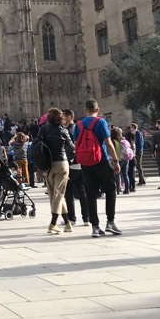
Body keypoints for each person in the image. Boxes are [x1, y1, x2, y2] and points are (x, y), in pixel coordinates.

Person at [73, 99, 122, 237]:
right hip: (101, 160)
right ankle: (110, 222)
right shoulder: (101, 122)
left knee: (91, 193)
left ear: (85, 110)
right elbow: (108, 142)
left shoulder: (79, 124)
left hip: (86, 164)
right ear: (97, 109)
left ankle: (95, 226)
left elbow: (76, 143)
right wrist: (115, 160)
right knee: (111, 189)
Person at [39, 108, 75, 234]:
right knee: (59, 193)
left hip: (48, 165)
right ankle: (53, 223)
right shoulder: (64, 131)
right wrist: (69, 161)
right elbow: (72, 149)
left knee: (54, 193)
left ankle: (67, 223)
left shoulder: (43, 130)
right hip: (61, 163)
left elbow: (38, 145)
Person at [63, 109, 89, 225]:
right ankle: (86, 218)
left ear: (69, 117)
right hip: (81, 163)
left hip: (72, 164)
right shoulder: (80, 128)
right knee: (81, 191)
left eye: (63, 116)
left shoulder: (68, 130)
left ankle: (71, 218)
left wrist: (68, 161)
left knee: (68, 192)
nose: (62, 118)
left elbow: (70, 148)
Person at [130, 123, 146, 187]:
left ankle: (142, 180)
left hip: (138, 151)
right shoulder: (135, 134)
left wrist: (136, 151)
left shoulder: (138, 133)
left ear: (133, 127)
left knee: (138, 165)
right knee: (138, 165)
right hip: (137, 151)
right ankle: (141, 180)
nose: (130, 129)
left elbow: (140, 143)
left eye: (131, 127)